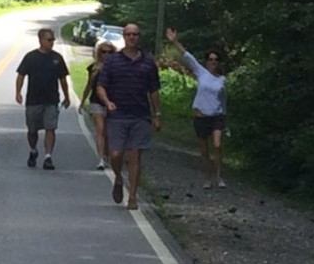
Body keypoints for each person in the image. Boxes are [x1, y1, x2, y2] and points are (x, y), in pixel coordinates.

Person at [96, 24, 161, 210]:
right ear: (123, 37)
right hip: (117, 115)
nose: (132, 37)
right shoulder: (112, 61)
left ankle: (132, 196)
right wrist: (107, 102)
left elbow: (154, 90)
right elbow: (101, 86)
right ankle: (118, 177)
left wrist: (157, 115)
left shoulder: (148, 62)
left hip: (140, 115)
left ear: (139, 37)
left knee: (135, 155)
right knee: (116, 154)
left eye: (135, 34)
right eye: (129, 34)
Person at [165, 27, 227, 189]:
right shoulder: (201, 73)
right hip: (201, 117)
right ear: (207, 61)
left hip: (217, 118)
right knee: (204, 150)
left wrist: (225, 117)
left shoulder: (222, 80)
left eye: (216, 59)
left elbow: (223, 100)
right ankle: (207, 176)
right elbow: (187, 56)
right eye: (210, 59)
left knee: (218, 145)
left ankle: (219, 176)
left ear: (219, 62)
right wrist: (174, 41)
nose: (213, 62)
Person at [15, 28, 71, 170]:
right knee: (32, 130)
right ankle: (33, 150)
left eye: (53, 39)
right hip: (33, 100)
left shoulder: (57, 58)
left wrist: (67, 96)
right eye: (49, 39)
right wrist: (18, 92)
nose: (52, 42)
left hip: (51, 99)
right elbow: (21, 75)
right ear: (40, 40)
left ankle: (48, 157)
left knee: (50, 128)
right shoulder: (30, 57)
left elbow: (63, 79)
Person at [79, 41, 117, 170]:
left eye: (109, 52)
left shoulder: (117, 67)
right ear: (98, 53)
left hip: (112, 101)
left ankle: (108, 155)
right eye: (103, 52)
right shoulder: (94, 68)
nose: (106, 54)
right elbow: (89, 85)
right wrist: (82, 101)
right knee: (100, 130)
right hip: (96, 101)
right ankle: (101, 159)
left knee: (108, 131)